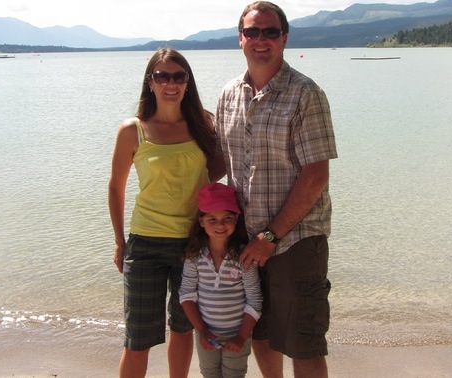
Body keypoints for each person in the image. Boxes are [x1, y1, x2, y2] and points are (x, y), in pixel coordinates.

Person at [214, 2, 338, 377]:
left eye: (270, 32)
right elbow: (221, 163)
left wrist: (271, 235)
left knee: (303, 341)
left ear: (284, 38)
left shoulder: (305, 93)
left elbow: (316, 174)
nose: (261, 40)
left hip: (295, 240)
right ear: (240, 39)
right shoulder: (228, 95)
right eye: (252, 32)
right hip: (244, 240)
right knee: (261, 333)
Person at [108, 47, 222, 378]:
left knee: (183, 328)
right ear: (151, 82)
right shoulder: (133, 130)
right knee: (138, 338)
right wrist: (119, 242)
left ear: (187, 82)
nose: (170, 83)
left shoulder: (204, 123)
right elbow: (116, 188)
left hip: (192, 244)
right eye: (162, 76)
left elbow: (214, 171)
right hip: (144, 245)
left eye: (178, 76)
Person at [179, 182, 262, 378]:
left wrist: (242, 336)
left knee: (234, 375)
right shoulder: (194, 256)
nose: (220, 225)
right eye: (212, 219)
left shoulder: (244, 256)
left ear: (236, 218)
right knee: (209, 374)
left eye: (227, 218)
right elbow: (186, 295)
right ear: (201, 221)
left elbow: (255, 300)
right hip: (205, 333)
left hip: (238, 335)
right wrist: (201, 330)